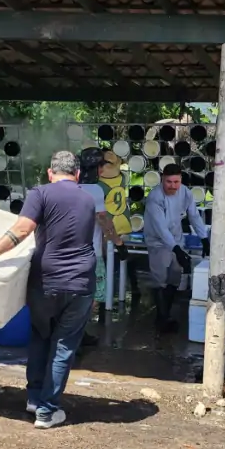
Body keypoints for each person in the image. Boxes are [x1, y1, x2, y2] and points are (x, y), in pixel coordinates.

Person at [0, 151, 96, 429]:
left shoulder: (41, 193)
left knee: (40, 337)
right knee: (63, 347)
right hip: (80, 283)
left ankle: (36, 400)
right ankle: (48, 410)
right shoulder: (88, 198)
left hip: (45, 281)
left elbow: (23, 229)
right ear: (77, 175)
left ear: (50, 173)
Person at [143, 163, 210, 334]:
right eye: (168, 182)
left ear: (180, 180)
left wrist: (204, 238)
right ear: (162, 179)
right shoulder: (154, 197)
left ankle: (164, 316)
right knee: (161, 280)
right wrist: (177, 250)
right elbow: (160, 228)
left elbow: (194, 215)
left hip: (176, 239)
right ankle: (162, 319)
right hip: (157, 242)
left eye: (176, 182)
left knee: (174, 279)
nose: (172, 186)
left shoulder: (186, 192)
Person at [77, 147, 129, 347]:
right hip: (92, 253)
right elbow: (103, 220)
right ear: (98, 169)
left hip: (70, 252)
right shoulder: (96, 190)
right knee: (96, 295)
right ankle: (78, 332)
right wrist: (118, 243)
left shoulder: (71, 187)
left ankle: (74, 332)